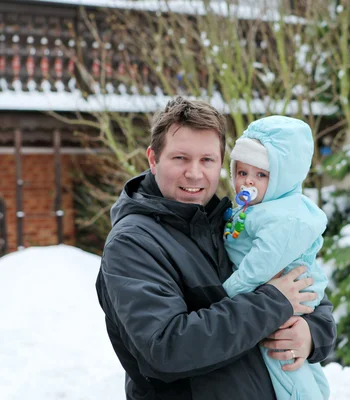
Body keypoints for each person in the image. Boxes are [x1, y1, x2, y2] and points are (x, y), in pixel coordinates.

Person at [95, 96, 337, 400]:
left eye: (207, 160)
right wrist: (273, 304)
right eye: (180, 158)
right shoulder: (133, 243)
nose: (195, 173)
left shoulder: (229, 223)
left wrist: (311, 334)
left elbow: (305, 288)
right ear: (153, 159)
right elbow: (166, 348)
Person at [223, 116, 330, 399]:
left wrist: (229, 291)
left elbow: (262, 264)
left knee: (283, 359)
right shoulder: (260, 207)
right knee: (300, 367)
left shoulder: (283, 216)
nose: (248, 182)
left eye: (261, 175)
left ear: (283, 178)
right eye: (242, 172)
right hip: (272, 297)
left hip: (287, 298)